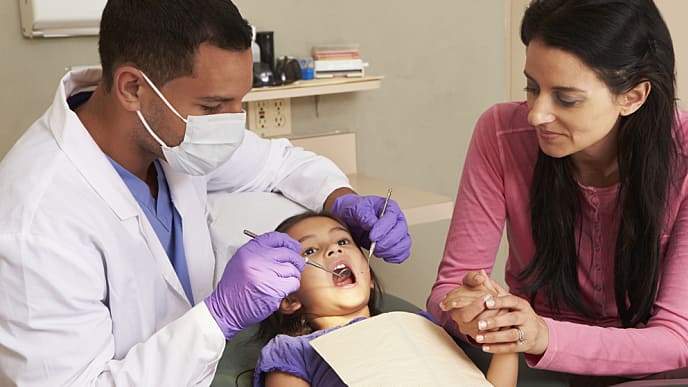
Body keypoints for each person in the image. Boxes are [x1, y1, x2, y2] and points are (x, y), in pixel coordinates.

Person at [0, 0, 411, 385]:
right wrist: (218, 317)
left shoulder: (171, 137)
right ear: (132, 89)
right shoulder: (35, 221)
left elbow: (283, 165)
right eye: (213, 107)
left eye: (241, 102)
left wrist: (341, 200)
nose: (232, 127)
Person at [428, 0, 688, 384]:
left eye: (566, 98)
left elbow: (676, 339)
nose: (536, 114)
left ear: (633, 96)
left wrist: (541, 335)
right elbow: (448, 290)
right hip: (536, 360)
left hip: (654, 371)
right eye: (532, 87)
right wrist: (473, 312)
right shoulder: (499, 132)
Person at [252, 211, 518, 387]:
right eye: (310, 250)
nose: (333, 249)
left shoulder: (418, 325)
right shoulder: (292, 351)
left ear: (368, 276)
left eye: (343, 242)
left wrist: (507, 334)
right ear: (289, 299)